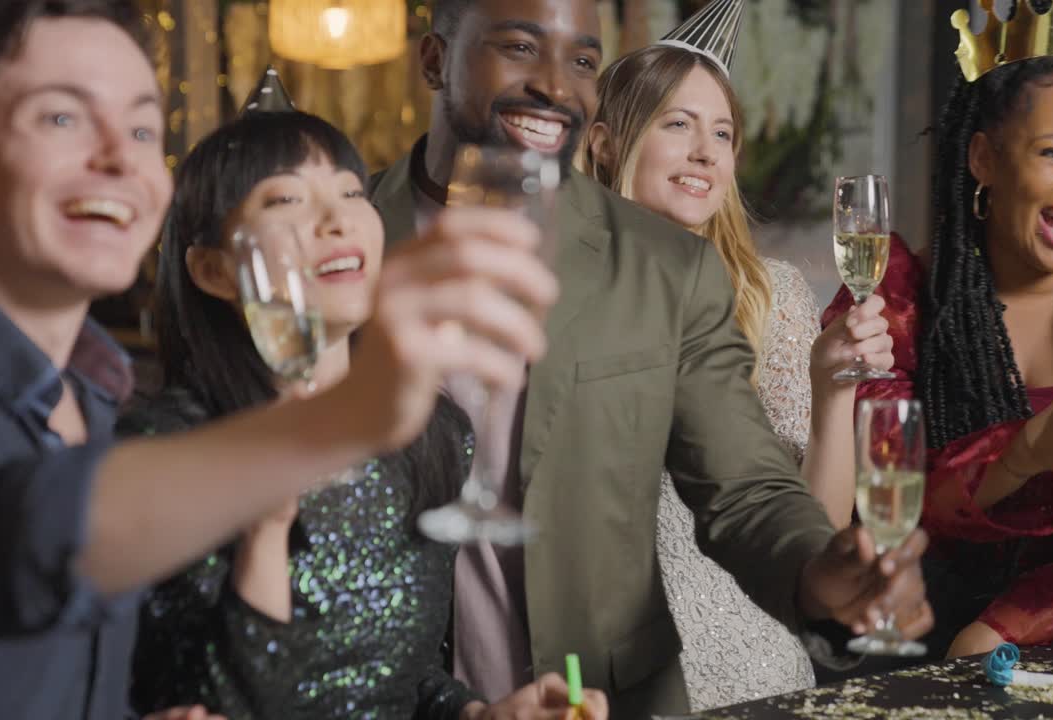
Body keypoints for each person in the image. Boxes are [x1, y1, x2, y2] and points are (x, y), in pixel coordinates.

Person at [0, 1, 558, 718]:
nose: (120, 158)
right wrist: (342, 417)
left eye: (141, 128)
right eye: (61, 118)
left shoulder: (92, 398)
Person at [370, 0, 934, 716]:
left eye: (581, 60)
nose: (554, 84)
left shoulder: (667, 266)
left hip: (608, 699)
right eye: (519, 47)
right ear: (433, 61)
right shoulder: (346, 239)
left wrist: (824, 574)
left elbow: (748, 490)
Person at [124, 94, 608, 720]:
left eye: (352, 193)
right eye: (286, 200)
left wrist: (482, 715)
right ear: (214, 270)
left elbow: (408, 678)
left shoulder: (432, 433)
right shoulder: (164, 449)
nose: (338, 220)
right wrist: (265, 522)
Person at [576, 0, 893, 708]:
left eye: (723, 133)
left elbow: (818, 524)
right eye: (678, 124)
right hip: (606, 663)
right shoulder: (561, 290)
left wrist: (834, 389)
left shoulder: (773, 295)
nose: (706, 152)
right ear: (604, 142)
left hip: (758, 654)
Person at [823, 0, 1053, 659]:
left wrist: (1010, 624)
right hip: (907, 639)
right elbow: (879, 500)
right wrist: (1024, 452)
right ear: (985, 158)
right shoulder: (895, 296)